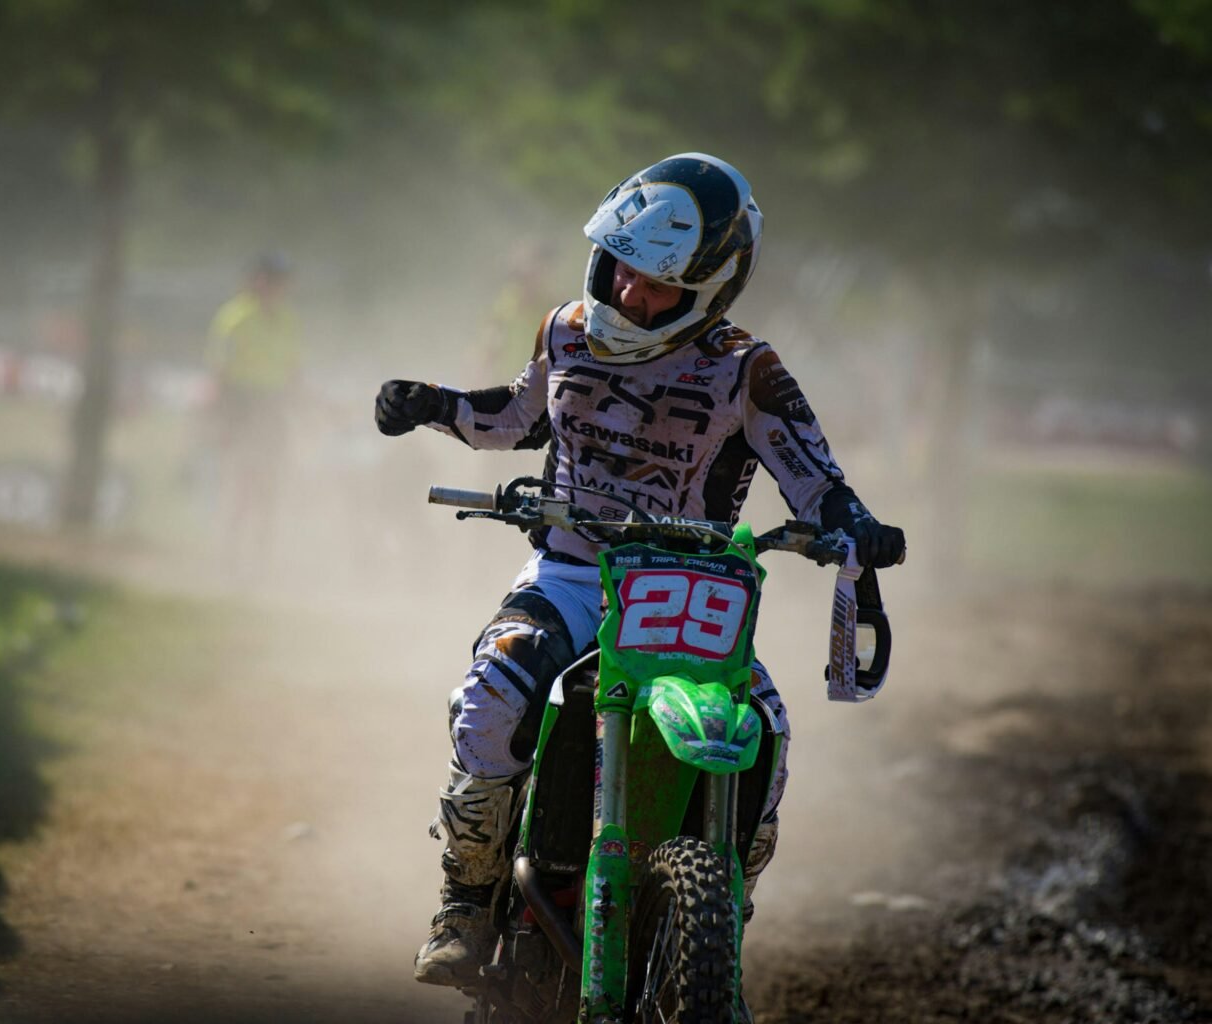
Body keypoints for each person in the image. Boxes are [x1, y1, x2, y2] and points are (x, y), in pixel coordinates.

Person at [373, 154, 906, 996]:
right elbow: (517, 418)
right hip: (570, 576)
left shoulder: (747, 368)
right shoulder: (564, 330)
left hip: (690, 592)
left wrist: (858, 527)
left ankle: (712, 930)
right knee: (492, 694)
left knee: (765, 733)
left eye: (658, 284)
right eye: (621, 266)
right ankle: (465, 903)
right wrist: (434, 404)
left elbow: (818, 481)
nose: (629, 292)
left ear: (710, 289)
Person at [201, 252, 299, 562]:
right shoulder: (235, 318)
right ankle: (228, 552)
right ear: (257, 280)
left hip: (272, 407)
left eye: (282, 281)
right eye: (273, 280)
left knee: (270, 485)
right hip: (241, 404)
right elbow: (219, 370)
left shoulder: (287, 319)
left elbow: (293, 370)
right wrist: (220, 415)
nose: (278, 287)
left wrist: (303, 405)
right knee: (241, 483)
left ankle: (261, 556)